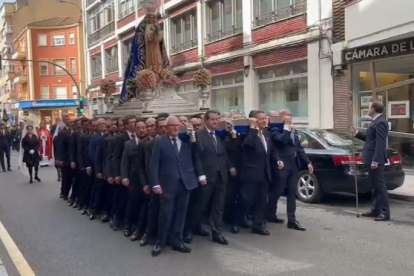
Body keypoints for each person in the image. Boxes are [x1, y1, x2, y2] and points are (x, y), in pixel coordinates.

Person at [149, 116, 199, 257]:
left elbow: (198, 151)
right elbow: (153, 165)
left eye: (178, 125)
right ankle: (161, 241)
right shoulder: (160, 142)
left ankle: (177, 240)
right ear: (166, 127)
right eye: (172, 125)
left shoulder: (186, 141)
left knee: (181, 214)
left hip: (185, 183)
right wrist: (155, 184)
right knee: (165, 214)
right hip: (167, 184)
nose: (176, 128)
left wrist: (193, 135)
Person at [269, 109, 312, 231]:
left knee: (292, 193)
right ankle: (270, 213)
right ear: (281, 117)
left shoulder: (293, 130)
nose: (290, 117)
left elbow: (299, 149)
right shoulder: (276, 129)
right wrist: (287, 127)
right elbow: (282, 140)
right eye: (287, 115)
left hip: (293, 165)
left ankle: (292, 220)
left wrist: (308, 162)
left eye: (291, 114)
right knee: (277, 191)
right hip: (282, 166)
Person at [351, 101, 390, 221]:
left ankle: (385, 212)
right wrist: (357, 133)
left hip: (375, 160)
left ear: (373, 109)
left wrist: (376, 161)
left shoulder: (381, 122)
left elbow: (380, 143)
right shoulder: (375, 122)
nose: (368, 110)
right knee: (375, 186)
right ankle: (376, 210)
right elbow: (369, 139)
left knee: (380, 186)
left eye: (369, 108)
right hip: (370, 158)